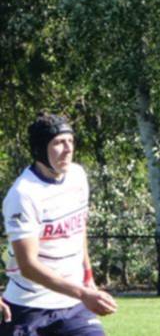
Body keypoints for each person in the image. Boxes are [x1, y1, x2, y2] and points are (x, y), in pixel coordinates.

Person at [2, 114, 117, 336]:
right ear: (39, 149)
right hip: (28, 307)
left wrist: (88, 276)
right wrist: (83, 293)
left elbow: (78, 229)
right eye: (58, 143)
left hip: (72, 307)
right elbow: (28, 265)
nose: (67, 149)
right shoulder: (24, 194)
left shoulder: (77, 176)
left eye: (70, 141)